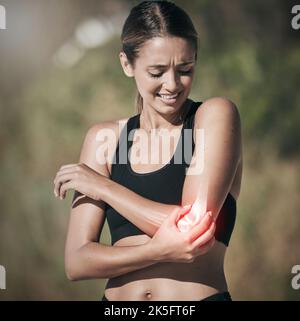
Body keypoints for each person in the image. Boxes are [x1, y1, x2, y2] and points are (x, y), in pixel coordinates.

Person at [53, 0, 242, 301]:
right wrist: (156, 250)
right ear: (127, 65)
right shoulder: (103, 139)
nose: (172, 85)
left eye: (185, 69)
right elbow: (76, 262)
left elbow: (192, 228)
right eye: (156, 72)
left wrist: (104, 187)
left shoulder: (214, 115)